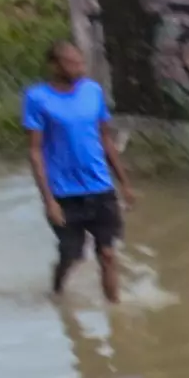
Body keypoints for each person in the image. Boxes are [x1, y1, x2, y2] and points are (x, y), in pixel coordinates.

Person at [21, 39, 128, 308]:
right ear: (53, 65)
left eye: (80, 62)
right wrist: (49, 201)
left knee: (107, 254)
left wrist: (124, 182)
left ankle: (114, 309)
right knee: (72, 255)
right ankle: (56, 291)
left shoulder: (93, 91)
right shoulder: (37, 98)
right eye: (71, 63)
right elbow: (34, 151)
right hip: (64, 194)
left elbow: (105, 139)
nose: (79, 68)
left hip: (100, 188)